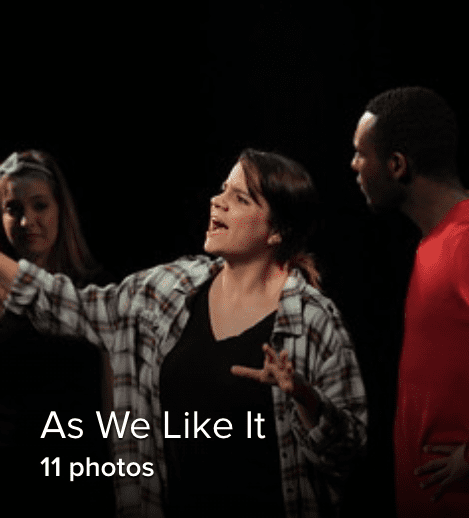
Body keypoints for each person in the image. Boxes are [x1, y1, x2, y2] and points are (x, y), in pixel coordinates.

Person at [0, 148, 367, 518]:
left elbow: (347, 455)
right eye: (223, 189)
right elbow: (69, 304)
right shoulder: (169, 290)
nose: (217, 202)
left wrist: (305, 398)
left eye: (238, 198)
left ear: (276, 231)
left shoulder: (313, 319)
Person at [351, 86, 469, 517]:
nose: (354, 165)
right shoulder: (444, 237)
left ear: (396, 165)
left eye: (361, 154)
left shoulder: (466, 241)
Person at [0, 150, 115, 516]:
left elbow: (116, 405)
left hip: (82, 481)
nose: (26, 221)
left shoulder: (93, 293)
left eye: (39, 206)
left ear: (60, 209)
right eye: (13, 208)